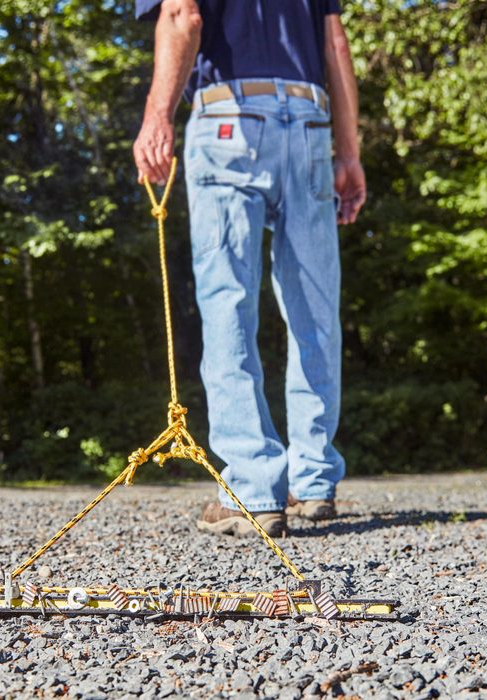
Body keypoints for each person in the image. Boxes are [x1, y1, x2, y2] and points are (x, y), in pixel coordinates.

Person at [133, 0, 366, 536]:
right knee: (315, 309)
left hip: (229, 119)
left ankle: (253, 491)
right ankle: (313, 481)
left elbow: (182, 15)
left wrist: (156, 116)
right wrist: (349, 152)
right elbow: (335, 44)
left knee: (228, 305)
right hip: (308, 122)